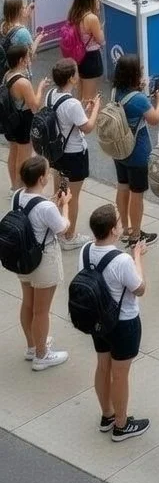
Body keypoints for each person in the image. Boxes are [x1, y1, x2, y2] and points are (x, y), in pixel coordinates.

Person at [80, 202, 149, 440]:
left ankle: (107, 414)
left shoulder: (86, 250)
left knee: (102, 365)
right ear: (112, 230)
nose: (121, 226)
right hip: (123, 323)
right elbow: (140, 288)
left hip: (97, 319)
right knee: (120, 374)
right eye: (119, 222)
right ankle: (121, 424)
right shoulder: (122, 261)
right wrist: (137, 256)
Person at [15, 154, 69, 370]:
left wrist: (52, 202)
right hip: (43, 261)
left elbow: (36, 215)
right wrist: (64, 205)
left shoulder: (18, 196)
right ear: (41, 179)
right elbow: (63, 228)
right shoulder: (45, 208)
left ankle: (32, 346)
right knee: (41, 311)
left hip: (23, 258)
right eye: (47, 173)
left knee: (27, 303)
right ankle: (41, 354)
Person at [110, 54, 159, 246]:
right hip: (137, 152)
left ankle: (125, 229)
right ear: (134, 74)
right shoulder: (139, 99)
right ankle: (136, 235)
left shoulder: (115, 91)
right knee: (137, 194)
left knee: (122, 186)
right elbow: (155, 119)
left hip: (118, 149)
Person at [46, 57, 100, 249]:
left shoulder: (51, 94)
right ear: (71, 78)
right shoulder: (72, 104)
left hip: (56, 151)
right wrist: (95, 110)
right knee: (72, 196)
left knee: (59, 189)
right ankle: (69, 235)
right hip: (74, 154)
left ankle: (56, 227)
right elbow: (87, 128)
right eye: (76, 72)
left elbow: (65, 120)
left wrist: (83, 110)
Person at [2, 40, 48, 193]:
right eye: (27, 56)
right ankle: (19, 189)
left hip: (10, 119)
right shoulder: (23, 82)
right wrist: (41, 87)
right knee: (23, 158)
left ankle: (14, 186)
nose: (29, 58)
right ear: (21, 60)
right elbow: (34, 105)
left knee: (13, 153)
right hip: (23, 121)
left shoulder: (7, 75)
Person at [66, 0, 105, 102]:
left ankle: (79, 119)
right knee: (90, 98)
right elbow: (101, 40)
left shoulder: (74, 13)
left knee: (81, 94)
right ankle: (88, 120)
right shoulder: (91, 18)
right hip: (91, 58)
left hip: (78, 57)